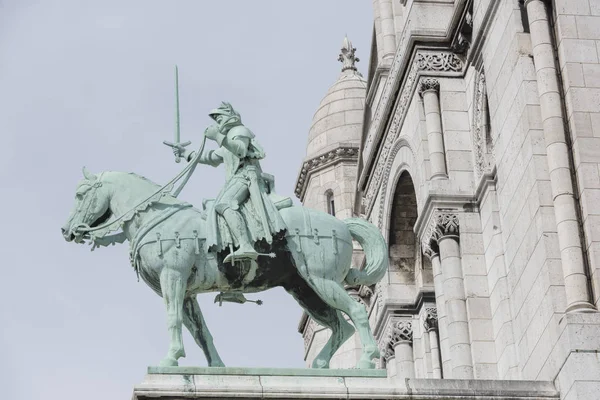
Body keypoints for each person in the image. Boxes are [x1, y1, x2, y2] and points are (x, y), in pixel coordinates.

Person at [172, 102, 286, 263]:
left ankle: (245, 245)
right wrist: (186, 154)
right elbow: (210, 157)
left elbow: (240, 149)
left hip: (246, 177)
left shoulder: (240, 131)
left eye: (219, 118)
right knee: (214, 205)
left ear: (229, 117)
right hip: (236, 179)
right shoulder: (228, 139)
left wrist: (218, 137)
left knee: (224, 203)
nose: (217, 123)